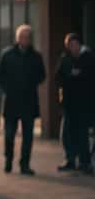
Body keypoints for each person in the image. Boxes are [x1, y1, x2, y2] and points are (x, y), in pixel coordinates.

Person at [0, 24, 45, 176]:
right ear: (18, 38)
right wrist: (7, 89)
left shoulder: (36, 57)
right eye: (21, 37)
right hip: (11, 101)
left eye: (27, 37)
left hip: (29, 102)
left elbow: (42, 75)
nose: (24, 40)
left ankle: (25, 165)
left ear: (30, 39)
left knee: (28, 137)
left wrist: (31, 83)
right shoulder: (8, 54)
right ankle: (8, 160)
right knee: (9, 135)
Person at [56, 33, 94, 174]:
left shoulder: (88, 58)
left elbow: (90, 78)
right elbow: (58, 77)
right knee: (66, 134)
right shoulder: (65, 58)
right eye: (70, 45)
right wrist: (70, 74)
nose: (73, 48)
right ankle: (70, 160)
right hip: (69, 103)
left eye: (75, 44)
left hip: (84, 103)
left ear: (80, 44)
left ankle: (85, 162)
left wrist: (78, 75)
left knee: (82, 134)